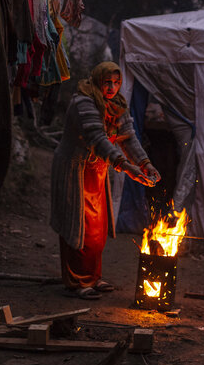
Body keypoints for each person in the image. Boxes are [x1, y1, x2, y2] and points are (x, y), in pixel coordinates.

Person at [50, 61, 161, 300]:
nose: (112, 87)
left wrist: (145, 164)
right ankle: (77, 281)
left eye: (116, 82)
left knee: (97, 229)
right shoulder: (84, 101)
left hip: (97, 171)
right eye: (107, 82)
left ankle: (92, 276)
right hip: (76, 170)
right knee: (79, 226)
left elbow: (128, 138)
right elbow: (97, 139)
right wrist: (127, 167)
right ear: (98, 80)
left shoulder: (117, 104)